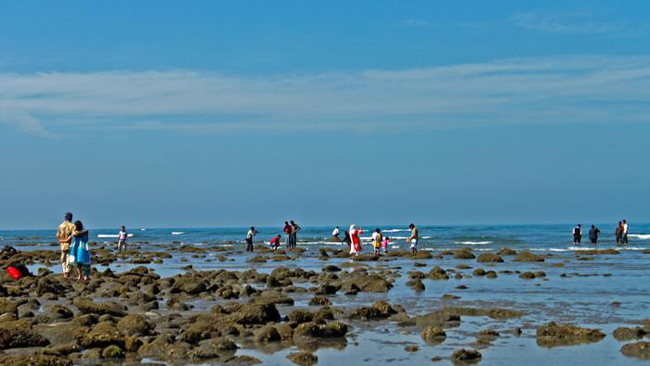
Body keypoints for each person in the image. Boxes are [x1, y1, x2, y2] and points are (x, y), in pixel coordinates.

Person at [56, 212, 75, 278]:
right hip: (70, 245)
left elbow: (58, 236)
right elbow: (74, 235)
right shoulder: (72, 226)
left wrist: (62, 240)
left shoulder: (60, 226)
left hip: (62, 245)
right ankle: (67, 273)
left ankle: (65, 273)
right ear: (71, 218)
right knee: (69, 260)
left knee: (63, 260)